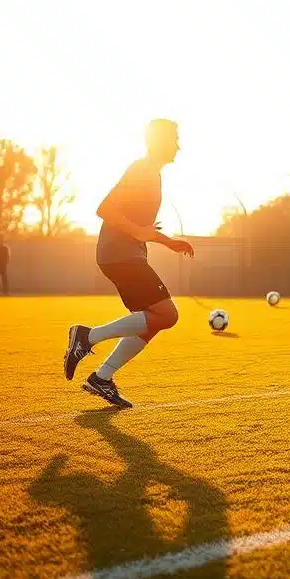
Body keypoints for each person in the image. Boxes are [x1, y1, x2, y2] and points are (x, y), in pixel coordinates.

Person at [62, 119, 194, 408]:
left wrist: (166, 240)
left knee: (152, 322)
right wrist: (139, 231)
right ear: (159, 141)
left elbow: (138, 224)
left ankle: (102, 378)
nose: (178, 146)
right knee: (168, 314)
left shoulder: (152, 174)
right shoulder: (142, 169)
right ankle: (87, 336)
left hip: (124, 253)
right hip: (119, 253)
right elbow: (104, 208)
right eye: (174, 139)